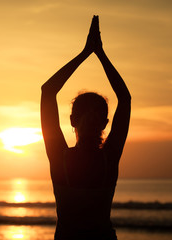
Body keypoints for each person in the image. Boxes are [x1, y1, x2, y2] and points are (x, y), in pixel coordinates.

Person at [41, 16, 131, 240]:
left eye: (96, 114)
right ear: (73, 120)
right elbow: (47, 91)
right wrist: (86, 53)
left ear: (105, 124)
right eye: (85, 114)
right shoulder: (58, 156)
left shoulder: (109, 158)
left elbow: (125, 99)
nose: (90, 119)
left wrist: (99, 53)